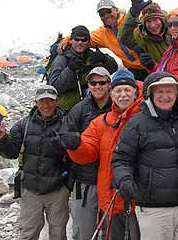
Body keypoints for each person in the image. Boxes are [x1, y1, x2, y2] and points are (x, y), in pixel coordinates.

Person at [112, 72, 178, 240]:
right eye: (160, 92)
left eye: (170, 91)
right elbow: (121, 159)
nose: (165, 96)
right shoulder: (137, 123)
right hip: (153, 209)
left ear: (177, 94)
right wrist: (124, 179)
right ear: (151, 94)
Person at [61, 68, 142, 240]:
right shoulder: (101, 122)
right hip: (111, 197)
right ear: (112, 94)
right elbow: (88, 152)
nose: (123, 95)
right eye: (118, 91)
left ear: (135, 92)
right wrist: (76, 145)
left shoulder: (146, 118)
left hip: (141, 199)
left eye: (127, 90)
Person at [0, 85, 69, 240]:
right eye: (42, 101)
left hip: (58, 189)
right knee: (28, 233)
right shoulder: (23, 125)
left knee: (58, 234)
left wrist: (70, 183)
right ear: (36, 102)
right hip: (30, 189)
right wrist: (1, 140)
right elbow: (11, 152)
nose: (46, 105)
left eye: (50, 101)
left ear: (57, 102)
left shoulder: (67, 124)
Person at [60, 67, 112, 240]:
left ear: (109, 84)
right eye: (93, 82)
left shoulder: (119, 107)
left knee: (111, 230)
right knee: (83, 230)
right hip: (85, 180)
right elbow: (64, 136)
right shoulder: (79, 109)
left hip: (112, 180)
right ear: (88, 85)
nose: (97, 86)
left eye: (102, 82)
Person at [58, 0, 149, 80]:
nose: (106, 16)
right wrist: (66, 40)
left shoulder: (131, 19)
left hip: (153, 62)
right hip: (135, 70)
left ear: (116, 10)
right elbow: (83, 38)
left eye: (109, 11)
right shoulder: (102, 33)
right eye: (102, 14)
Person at [49, 25, 118, 111]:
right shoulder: (62, 59)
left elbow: (113, 68)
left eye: (84, 40)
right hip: (67, 107)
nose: (80, 42)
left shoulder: (91, 56)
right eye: (76, 39)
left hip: (90, 101)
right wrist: (70, 70)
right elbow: (55, 87)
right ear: (71, 41)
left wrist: (104, 58)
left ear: (88, 42)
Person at [118, 0, 171, 72]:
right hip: (161, 76)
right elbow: (123, 37)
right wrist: (133, 13)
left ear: (162, 20)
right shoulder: (141, 37)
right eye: (148, 21)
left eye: (155, 20)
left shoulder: (173, 28)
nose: (153, 25)